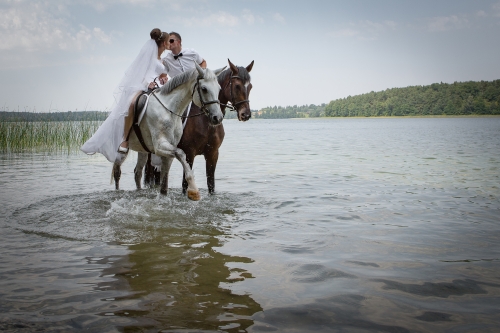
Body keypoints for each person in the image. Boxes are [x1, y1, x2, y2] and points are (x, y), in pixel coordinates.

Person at [81, 28, 170, 163]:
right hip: (144, 85)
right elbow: (141, 73)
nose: (169, 44)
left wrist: (164, 78)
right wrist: (147, 84)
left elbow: (161, 73)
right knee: (132, 103)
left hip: (159, 87)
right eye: (168, 41)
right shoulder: (148, 57)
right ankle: (125, 139)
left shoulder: (162, 60)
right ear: (164, 43)